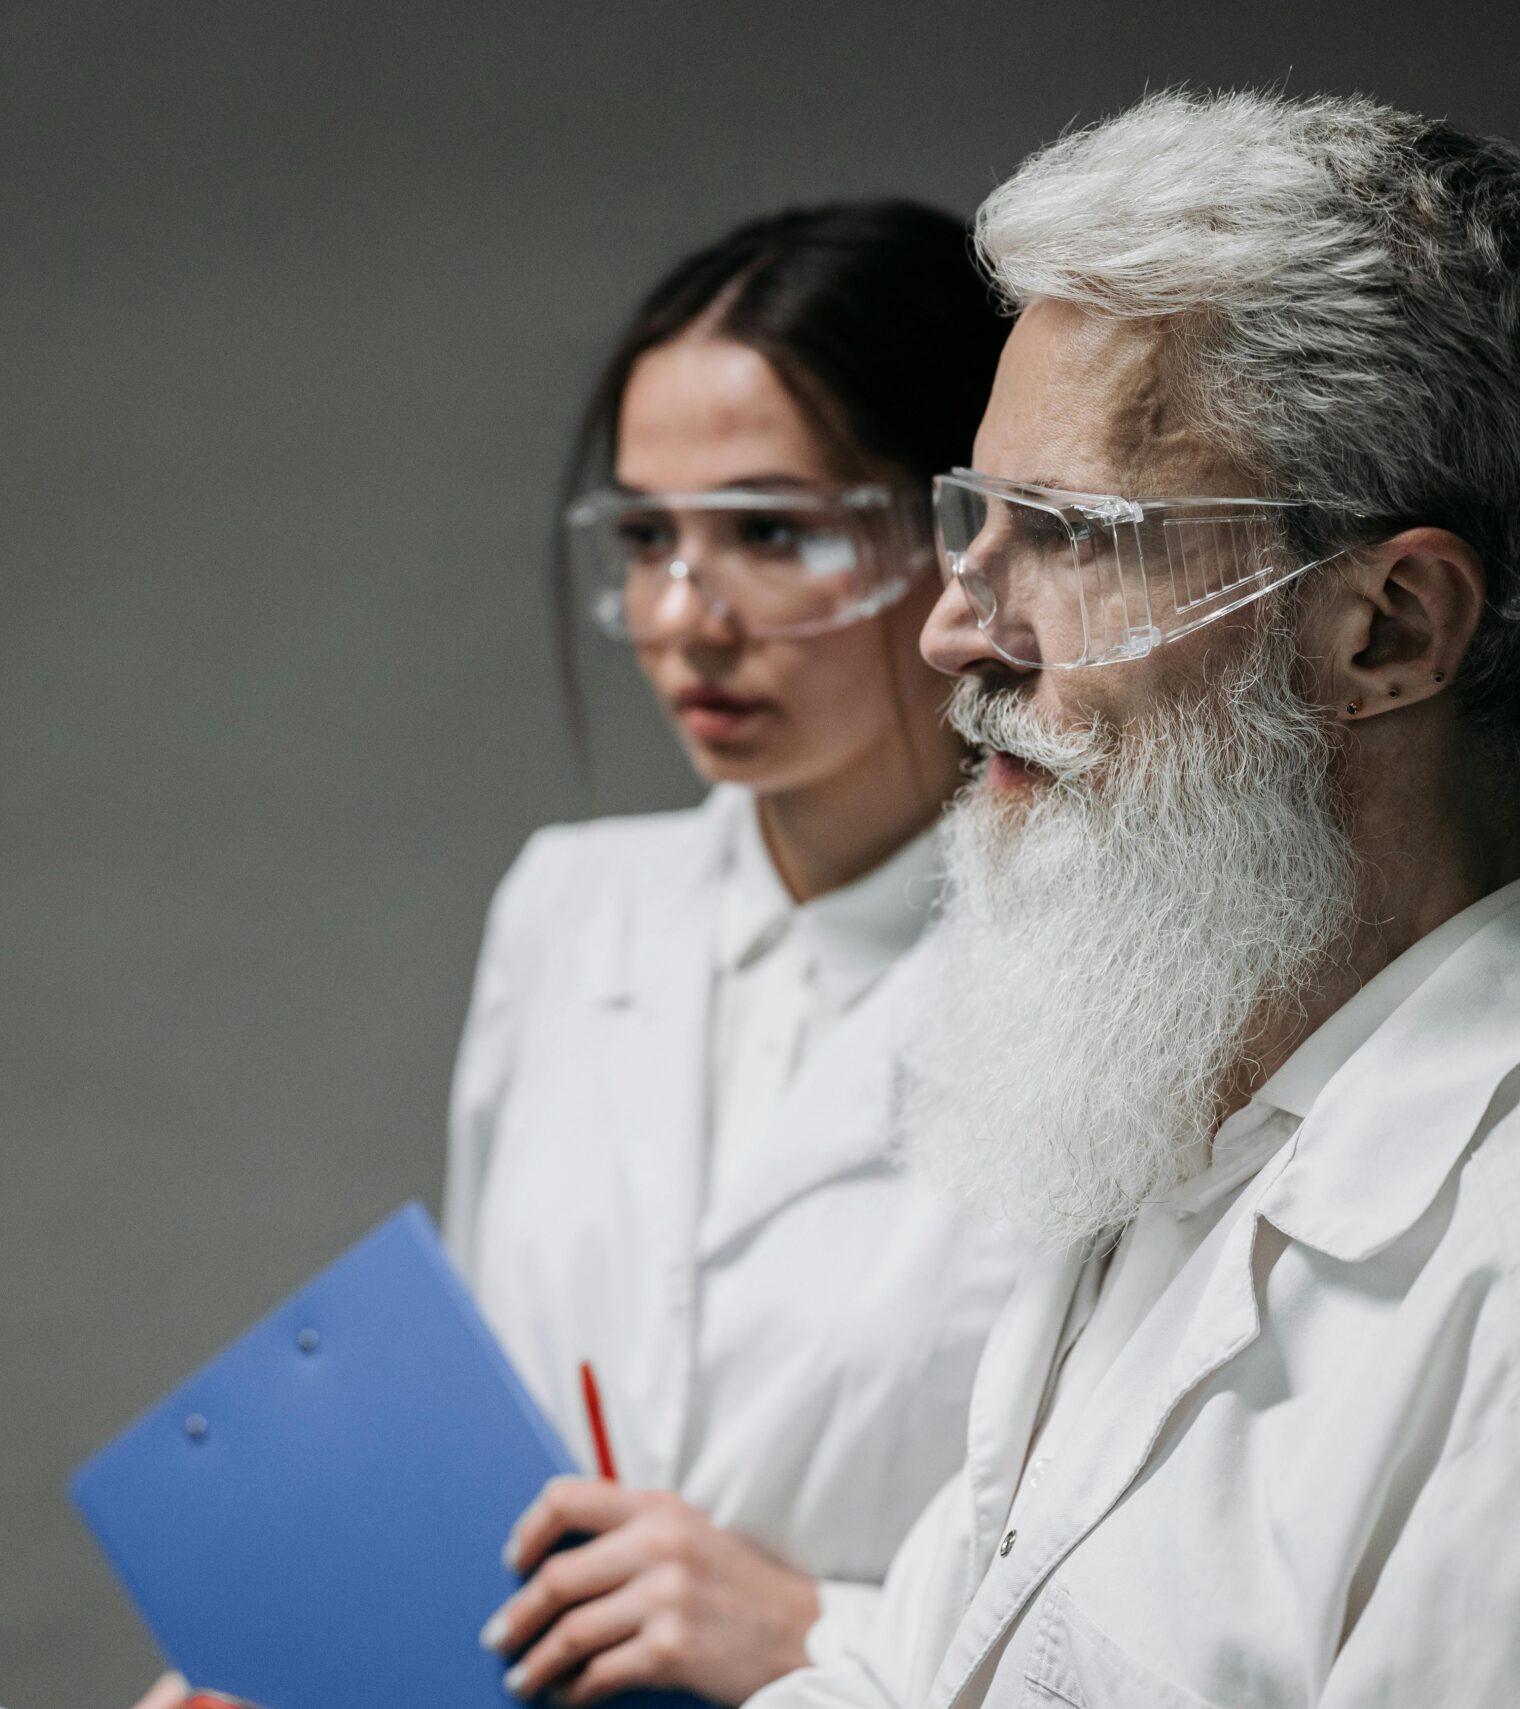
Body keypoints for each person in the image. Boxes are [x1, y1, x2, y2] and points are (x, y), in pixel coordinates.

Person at [753, 90, 1520, 1708]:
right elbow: (924, 1676)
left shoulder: (1494, 1277)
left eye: (1078, 537)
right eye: (977, 523)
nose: (956, 635)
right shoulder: (1171, 1085)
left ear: (1389, 628)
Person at [442, 202, 1023, 1705]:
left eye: (772, 532)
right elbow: (469, 1445)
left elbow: (1179, 1587)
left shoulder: (1128, 982)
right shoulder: (567, 911)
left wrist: (813, 1632)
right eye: (648, 537)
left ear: (967, 535)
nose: (683, 618)